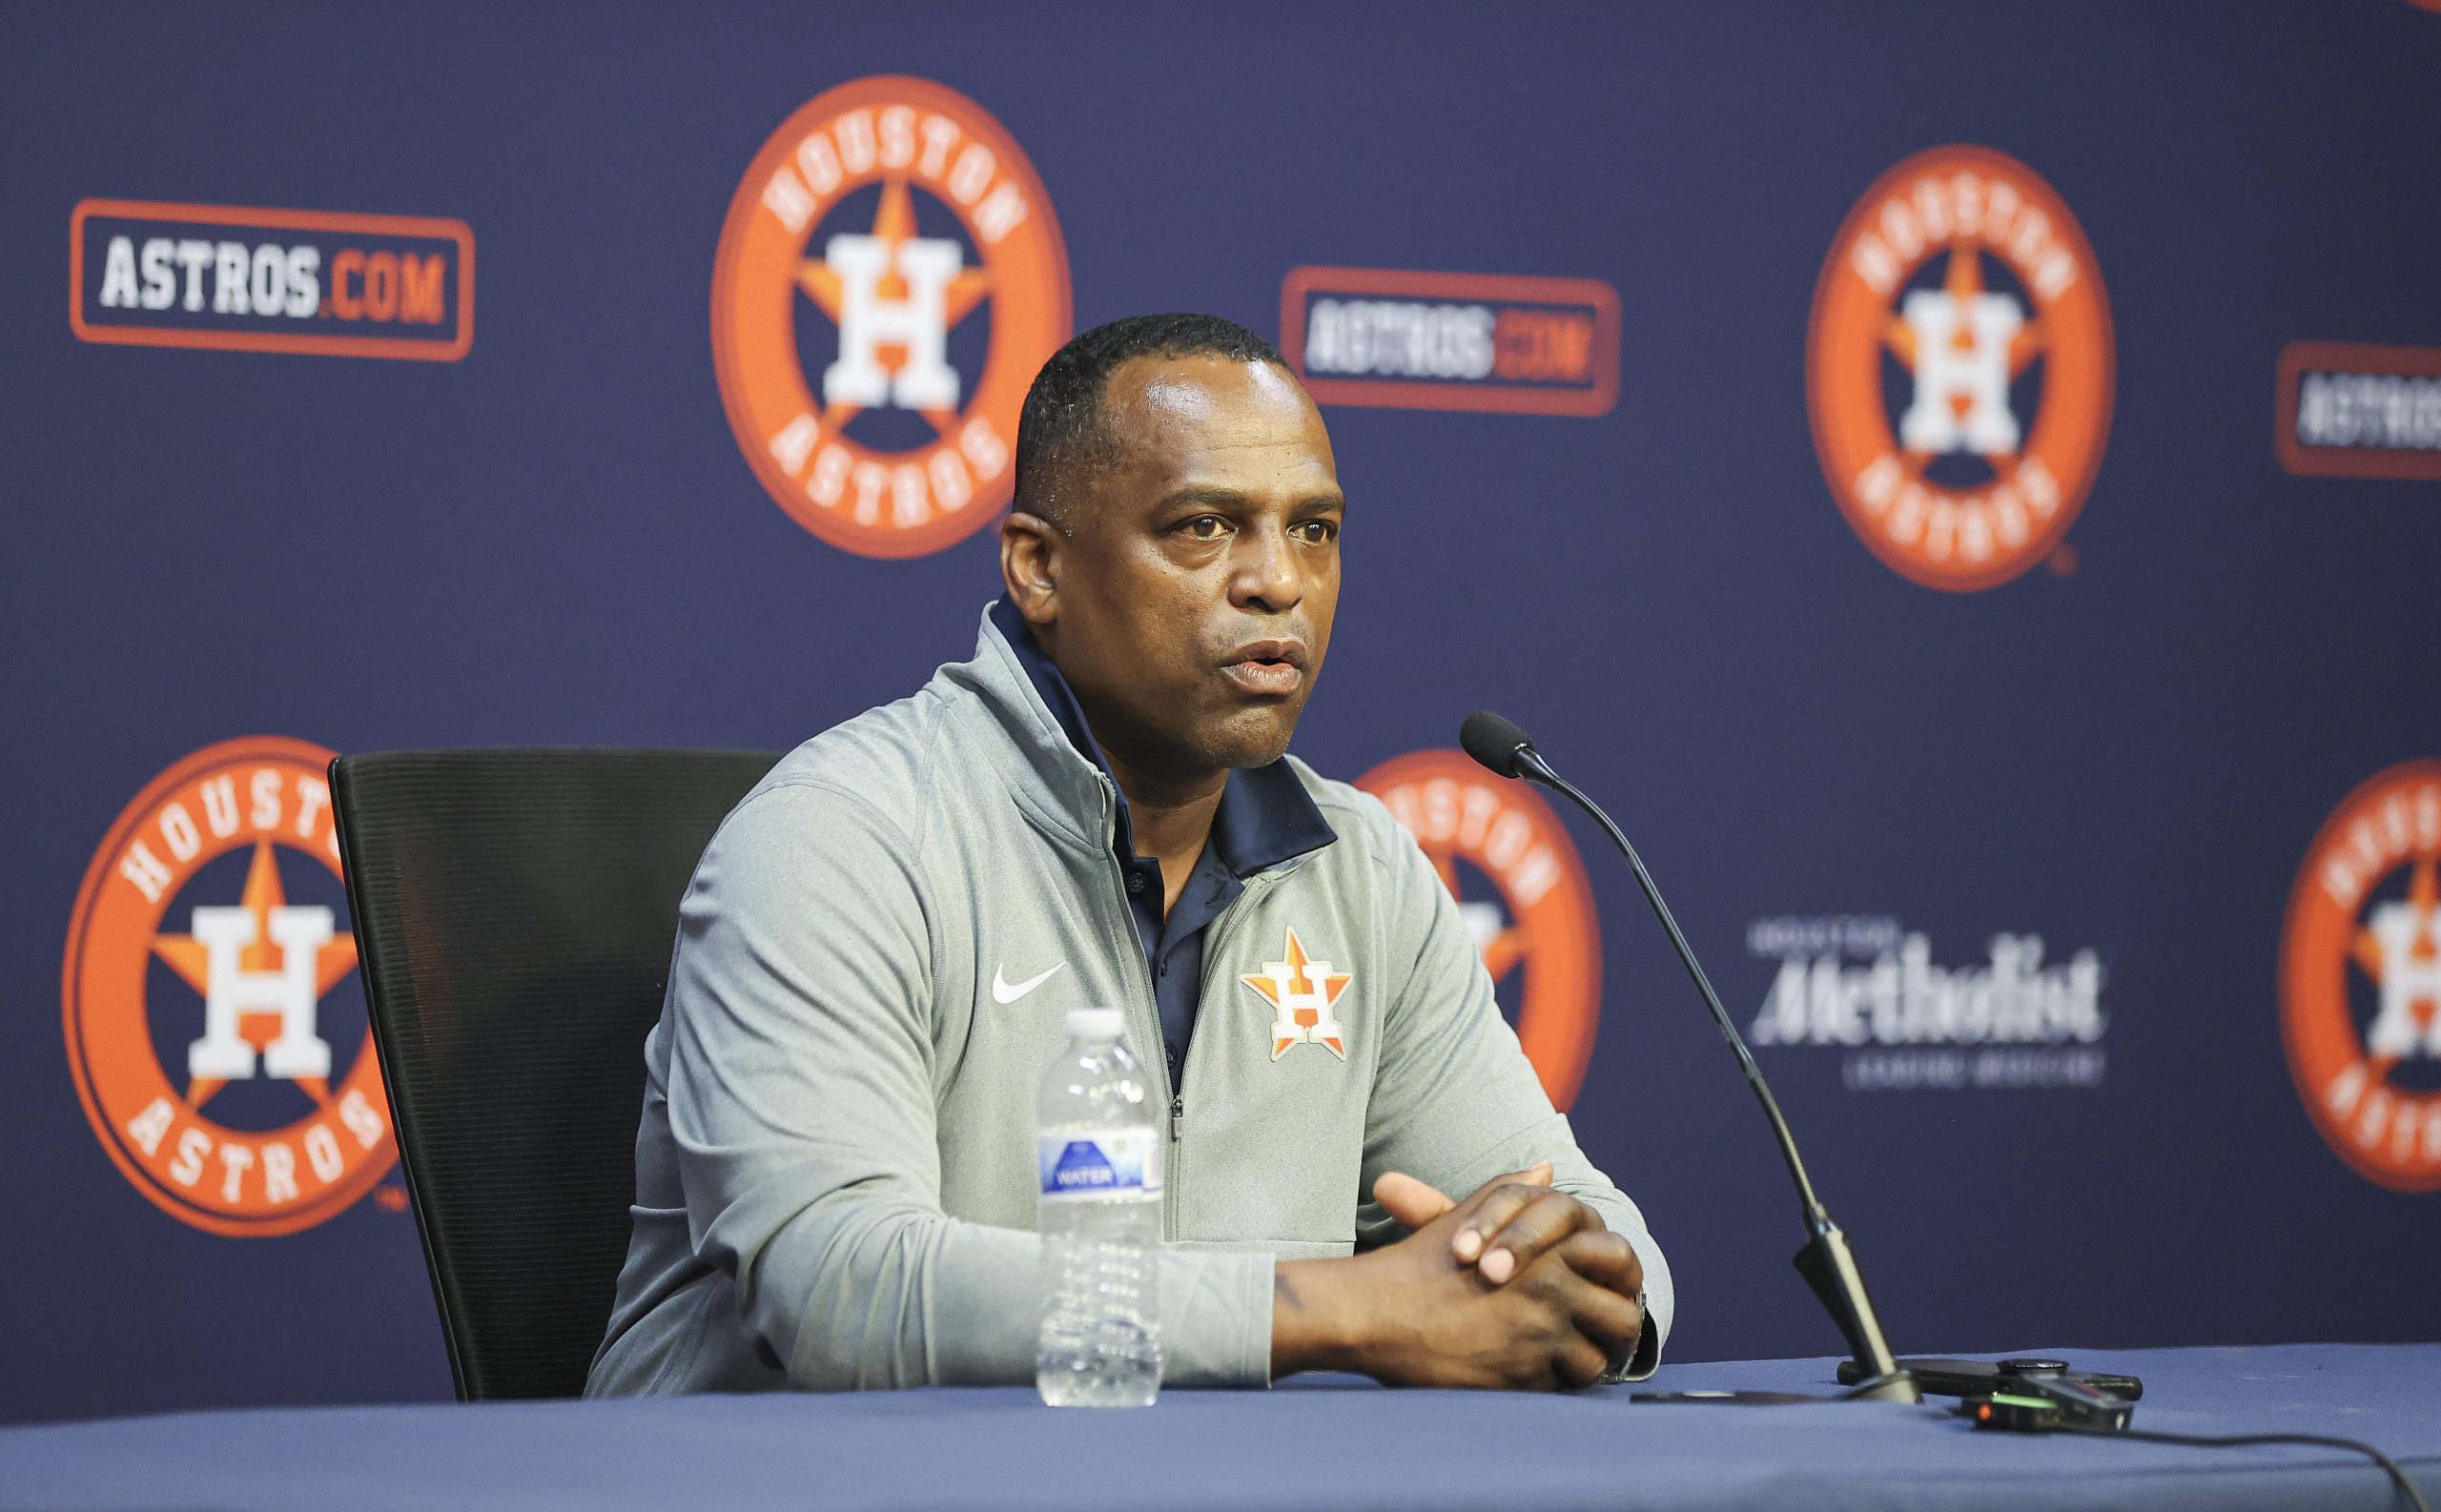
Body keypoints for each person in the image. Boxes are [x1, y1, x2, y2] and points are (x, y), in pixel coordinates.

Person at [587, 314, 1672, 1396]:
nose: (1278, 582)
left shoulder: (1363, 870)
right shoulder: (844, 836)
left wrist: (1561, 1275)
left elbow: (1602, 1232)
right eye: (1206, 527)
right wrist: (1352, 1308)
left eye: (1314, 530)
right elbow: (841, 1291)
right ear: (1038, 568)